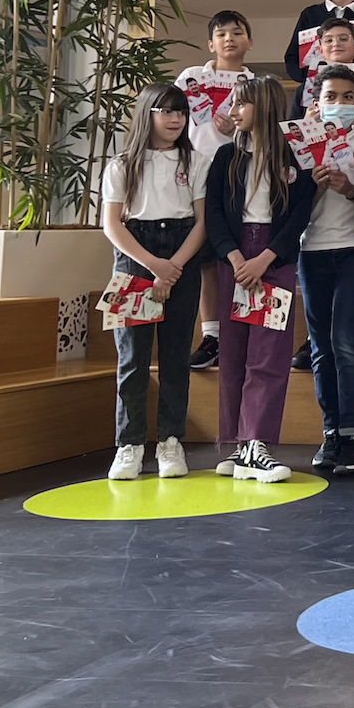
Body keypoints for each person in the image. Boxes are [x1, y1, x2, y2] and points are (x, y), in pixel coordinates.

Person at [205, 75, 316, 484]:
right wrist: (236, 257)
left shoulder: (295, 155)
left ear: (264, 106)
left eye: (241, 104)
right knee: (233, 351)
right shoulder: (226, 156)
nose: (232, 112)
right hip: (234, 259)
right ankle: (236, 443)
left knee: (268, 353)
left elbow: (300, 213)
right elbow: (214, 212)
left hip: (275, 258)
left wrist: (266, 257)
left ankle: (257, 442)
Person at [100, 83, 209, 481]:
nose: (175, 119)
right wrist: (152, 266)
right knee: (132, 356)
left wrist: (173, 266)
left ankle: (170, 441)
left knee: (176, 356)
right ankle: (128, 444)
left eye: (181, 112)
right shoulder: (121, 164)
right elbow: (112, 224)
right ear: (147, 114)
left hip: (181, 252)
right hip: (134, 255)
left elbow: (202, 222)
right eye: (166, 111)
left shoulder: (196, 162)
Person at [298, 65, 354, 474]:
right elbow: (290, 213)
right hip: (311, 250)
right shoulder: (301, 148)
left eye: (348, 97)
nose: (339, 104)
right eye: (331, 97)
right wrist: (314, 188)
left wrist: (350, 189)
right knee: (320, 346)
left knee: (346, 341)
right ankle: (330, 432)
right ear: (316, 104)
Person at [176, 9, 255, 368]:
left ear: (249, 41)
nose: (229, 39)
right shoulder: (191, 77)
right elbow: (172, 121)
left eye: (237, 32)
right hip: (194, 178)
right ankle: (212, 336)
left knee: (237, 256)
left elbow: (266, 131)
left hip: (240, 178)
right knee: (203, 261)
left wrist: (236, 128)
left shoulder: (256, 84)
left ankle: (241, 332)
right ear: (210, 43)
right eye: (221, 34)